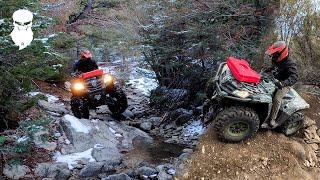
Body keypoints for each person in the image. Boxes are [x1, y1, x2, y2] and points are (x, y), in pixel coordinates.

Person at [265, 41, 298, 127]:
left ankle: (272, 119)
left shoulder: (290, 64)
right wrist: (268, 70)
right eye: (273, 54)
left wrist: (283, 83)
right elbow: (275, 66)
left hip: (285, 83)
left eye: (275, 54)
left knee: (277, 98)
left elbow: (294, 77)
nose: (273, 56)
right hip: (276, 79)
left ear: (282, 53)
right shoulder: (276, 58)